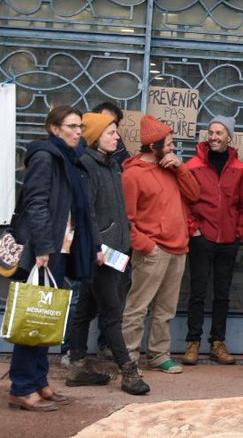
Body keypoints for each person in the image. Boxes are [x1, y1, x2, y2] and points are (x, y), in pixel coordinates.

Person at [8, 106, 97, 412]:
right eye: (72, 126)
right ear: (54, 128)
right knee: (34, 316)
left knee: (47, 316)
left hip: (61, 248)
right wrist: (44, 248)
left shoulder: (69, 159)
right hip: (43, 250)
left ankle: (39, 381)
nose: (78, 132)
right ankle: (21, 386)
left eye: (81, 127)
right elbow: (36, 203)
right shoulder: (46, 156)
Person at [66, 111, 150, 395]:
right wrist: (96, 246)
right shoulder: (86, 166)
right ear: (95, 137)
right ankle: (128, 370)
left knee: (86, 309)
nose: (117, 137)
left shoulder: (113, 165)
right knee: (113, 313)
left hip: (116, 249)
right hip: (100, 251)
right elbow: (85, 211)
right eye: (111, 132)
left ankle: (77, 366)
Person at [121, 115, 200, 375]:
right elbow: (126, 220)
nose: (173, 147)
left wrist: (180, 168)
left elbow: (194, 195)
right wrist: (146, 245)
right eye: (168, 143)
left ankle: (158, 355)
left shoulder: (171, 167)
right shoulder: (132, 175)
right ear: (153, 146)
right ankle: (129, 358)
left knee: (166, 310)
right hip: (152, 250)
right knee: (137, 307)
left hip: (179, 248)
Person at [182, 114, 243, 366]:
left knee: (222, 294)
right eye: (210, 132)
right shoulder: (193, 166)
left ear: (229, 137)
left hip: (228, 240)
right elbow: (185, 202)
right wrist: (193, 229)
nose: (213, 137)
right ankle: (192, 342)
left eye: (219, 133)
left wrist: (239, 230)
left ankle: (217, 343)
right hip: (202, 238)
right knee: (197, 292)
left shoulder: (240, 169)